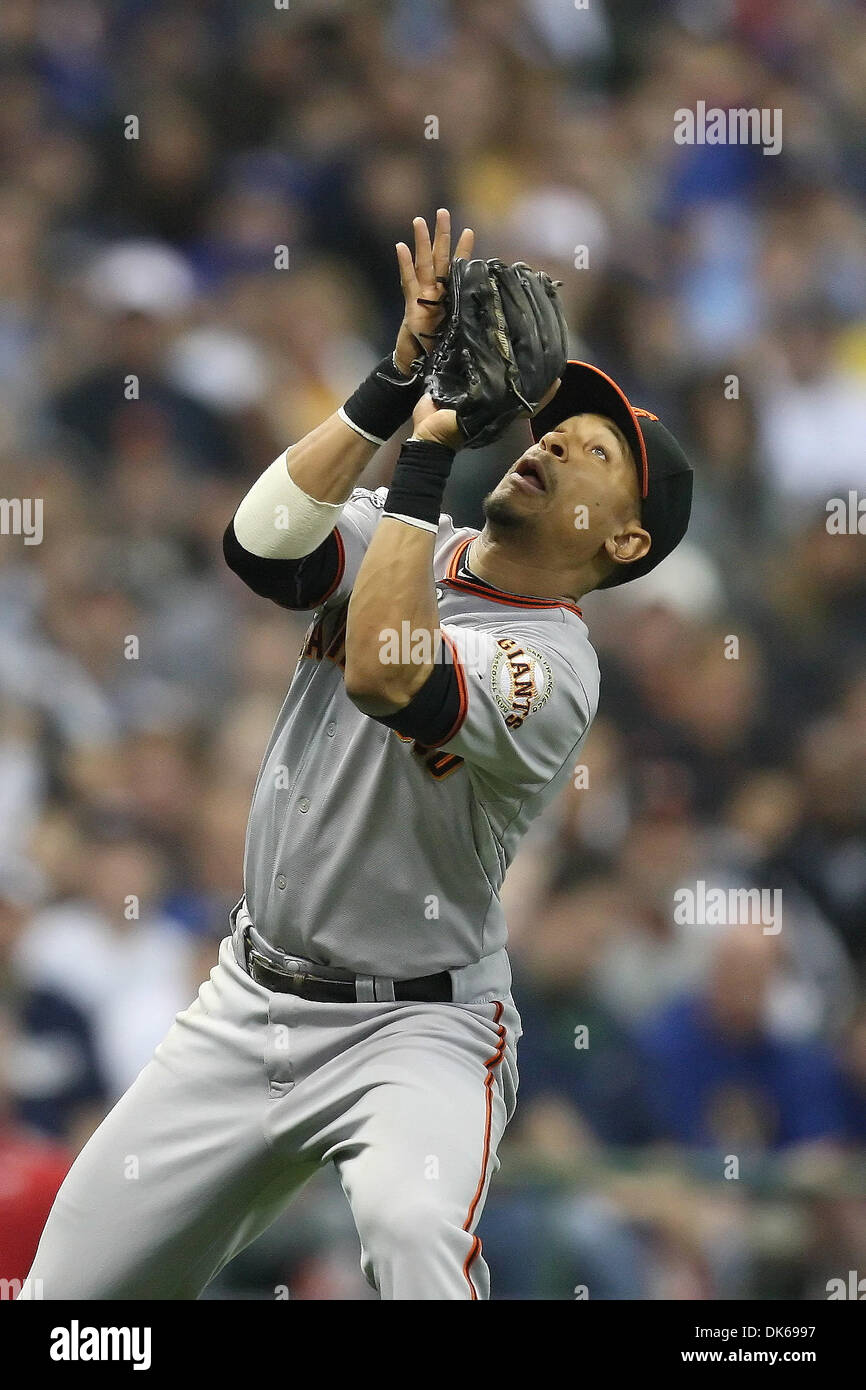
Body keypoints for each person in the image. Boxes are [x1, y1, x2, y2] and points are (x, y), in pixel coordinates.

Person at [22, 210, 692, 1301]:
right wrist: (390, 384)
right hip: (248, 1000)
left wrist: (426, 451)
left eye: (594, 450)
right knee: (67, 1306)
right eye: (556, 425)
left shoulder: (554, 668)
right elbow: (258, 543)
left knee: (409, 1232)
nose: (552, 439)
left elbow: (388, 671)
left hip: (414, 1026)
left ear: (621, 541)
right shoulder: (398, 530)